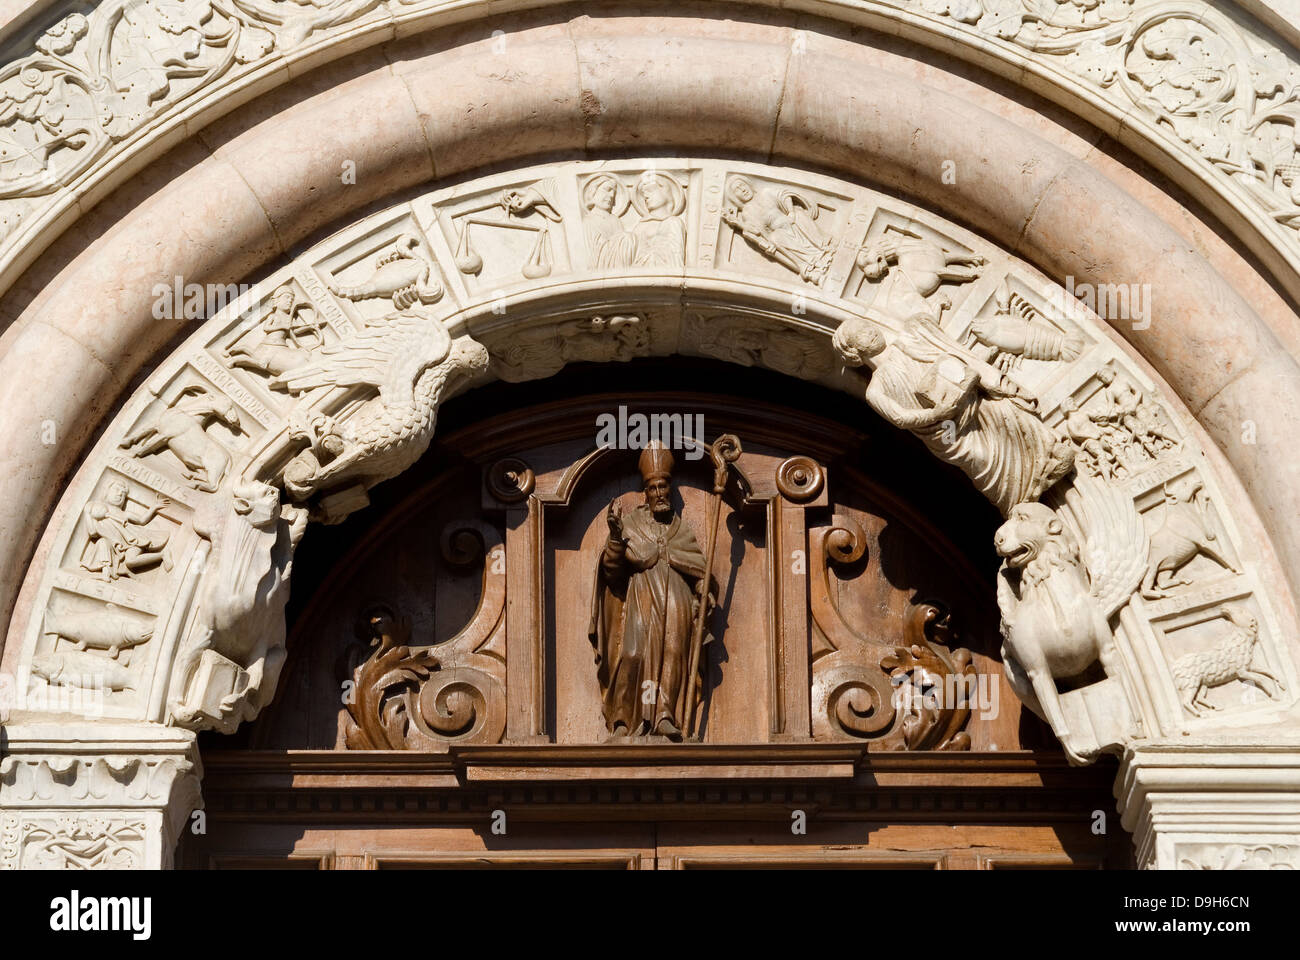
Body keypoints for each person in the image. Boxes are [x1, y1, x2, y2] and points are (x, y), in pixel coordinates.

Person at [589, 443, 709, 740]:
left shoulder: (681, 530)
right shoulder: (630, 525)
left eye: (664, 486)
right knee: (632, 654)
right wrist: (616, 537)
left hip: (678, 601)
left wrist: (704, 588)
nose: (659, 493)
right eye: (653, 487)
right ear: (646, 491)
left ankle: (665, 716)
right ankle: (622, 720)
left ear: (670, 489)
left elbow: (699, 569)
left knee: (673, 654)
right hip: (642, 600)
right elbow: (612, 570)